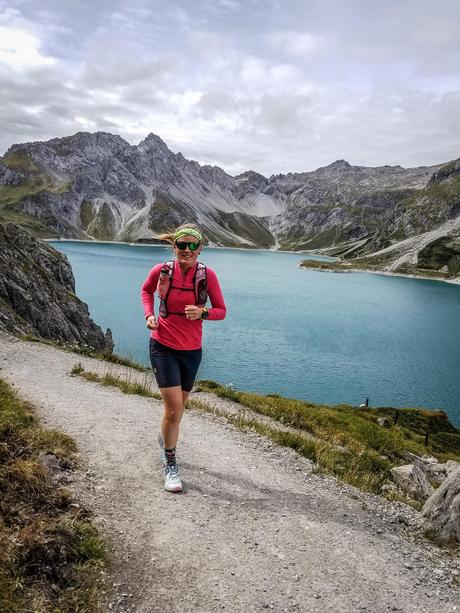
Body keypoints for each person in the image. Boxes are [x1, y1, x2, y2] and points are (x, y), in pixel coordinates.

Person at [140, 223, 226, 493]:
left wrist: (203, 313)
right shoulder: (162, 271)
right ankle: (171, 466)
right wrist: (149, 316)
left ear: (200, 248)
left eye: (192, 246)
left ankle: (164, 437)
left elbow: (222, 310)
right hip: (162, 347)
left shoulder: (207, 276)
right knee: (175, 409)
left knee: (175, 413)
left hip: (191, 352)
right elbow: (145, 291)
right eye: (181, 245)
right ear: (174, 246)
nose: (186, 250)